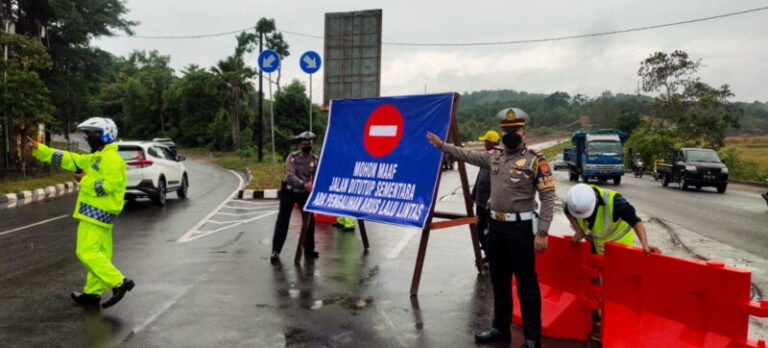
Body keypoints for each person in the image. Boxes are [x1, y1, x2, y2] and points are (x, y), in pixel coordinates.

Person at [427, 107, 554, 348]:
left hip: (522, 230)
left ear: (524, 131)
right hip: (497, 228)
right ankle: (500, 328)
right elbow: (467, 155)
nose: (510, 134)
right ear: (501, 132)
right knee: (500, 281)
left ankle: (531, 337)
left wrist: (543, 231)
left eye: (515, 129)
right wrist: (443, 146)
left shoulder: (535, 160)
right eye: (506, 130)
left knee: (526, 284)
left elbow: (548, 197)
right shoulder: (495, 156)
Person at [25, 117, 134, 308]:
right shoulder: (95, 158)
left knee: (86, 251)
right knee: (99, 255)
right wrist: (40, 149)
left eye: (95, 133)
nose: (90, 137)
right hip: (100, 215)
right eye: (89, 134)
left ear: (107, 134)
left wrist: (84, 180)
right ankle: (92, 293)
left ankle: (118, 282)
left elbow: (110, 186)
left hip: (96, 214)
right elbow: (68, 158)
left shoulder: (112, 159)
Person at [565, 183, 661, 255]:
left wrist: (645, 243)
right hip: (597, 247)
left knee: (618, 278)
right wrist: (579, 230)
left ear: (595, 202)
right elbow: (567, 211)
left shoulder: (615, 202)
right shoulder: (575, 201)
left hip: (620, 248)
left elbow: (636, 222)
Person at [270, 131, 319, 264]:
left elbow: (317, 174)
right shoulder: (292, 157)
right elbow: (290, 176)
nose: (307, 145)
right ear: (299, 145)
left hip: (304, 193)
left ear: (313, 144)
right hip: (289, 191)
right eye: (304, 143)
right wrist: (304, 184)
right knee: (283, 220)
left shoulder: (314, 160)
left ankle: (309, 250)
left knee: (309, 221)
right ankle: (275, 251)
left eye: (309, 143)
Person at [471, 130, 500, 262]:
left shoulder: (498, 159)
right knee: (480, 229)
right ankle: (487, 252)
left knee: (488, 231)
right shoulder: (485, 158)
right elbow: (479, 179)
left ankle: (490, 256)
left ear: (492, 143)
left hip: (490, 204)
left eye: (486, 141)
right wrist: (472, 197)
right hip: (480, 202)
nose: (484, 143)